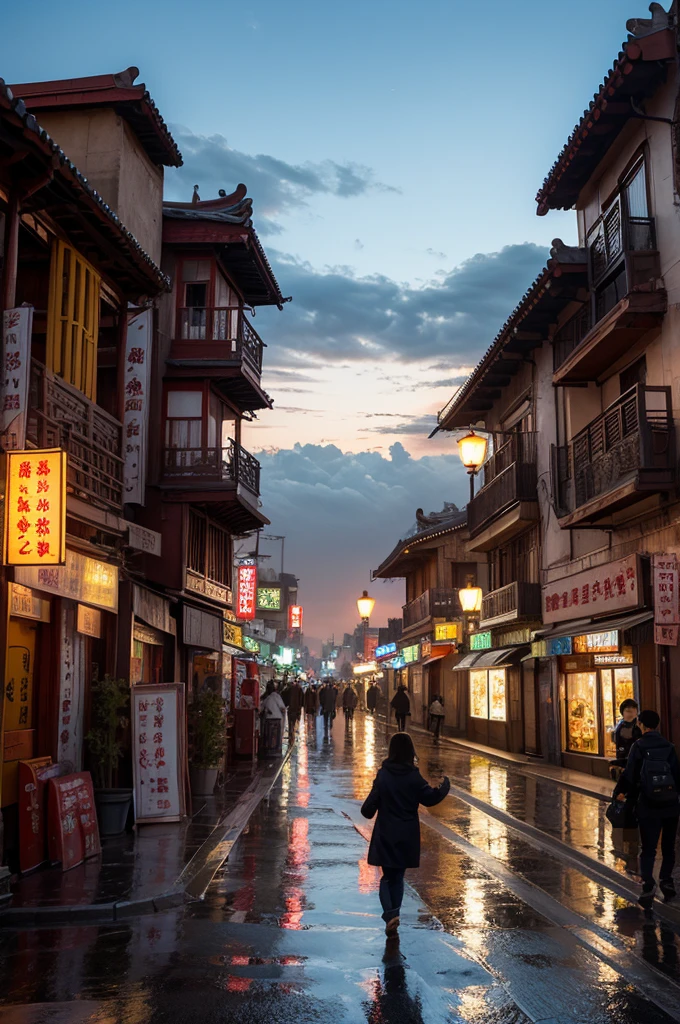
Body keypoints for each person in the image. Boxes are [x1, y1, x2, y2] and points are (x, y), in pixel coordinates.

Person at [361, 732, 450, 934]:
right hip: (406, 833)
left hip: (386, 832)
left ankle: (390, 916)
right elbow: (429, 798)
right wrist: (444, 787)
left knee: (386, 877)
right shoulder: (413, 776)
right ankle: (394, 914)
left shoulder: (383, 775)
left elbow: (367, 809)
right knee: (398, 877)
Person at [614, 708, 680, 906]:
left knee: (649, 848)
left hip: (648, 804)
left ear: (641, 725)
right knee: (668, 847)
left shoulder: (639, 746)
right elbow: (676, 775)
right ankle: (666, 881)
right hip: (670, 805)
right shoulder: (669, 746)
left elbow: (631, 775)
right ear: (657, 725)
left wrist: (620, 793)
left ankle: (648, 884)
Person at [609, 698, 642, 780]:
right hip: (623, 755)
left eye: (633, 710)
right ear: (623, 712)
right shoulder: (620, 726)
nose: (631, 713)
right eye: (628, 711)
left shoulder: (639, 725)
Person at [260, 681, 287, 757]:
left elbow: (261, 708)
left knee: (269, 735)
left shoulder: (266, 697)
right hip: (277, 719)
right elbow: (283, 708)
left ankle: (269, 750)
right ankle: (275, 750)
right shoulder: (276, 696)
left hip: (268, 719)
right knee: (276, 736)